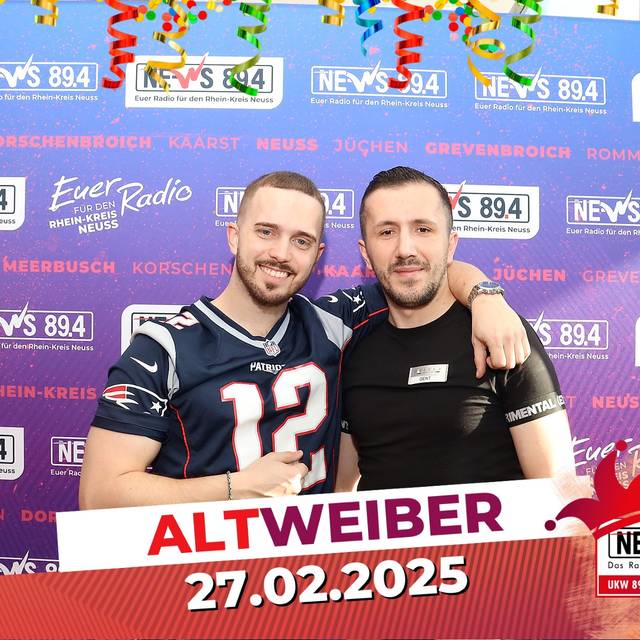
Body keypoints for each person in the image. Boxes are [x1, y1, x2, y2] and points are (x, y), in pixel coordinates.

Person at [79, 171, 530, 509]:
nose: (280, 253)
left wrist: (485, 295)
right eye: (266, 232)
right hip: (200, 576)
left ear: (318, 255)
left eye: (301, 241)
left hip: (311, 576)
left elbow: (419, 272)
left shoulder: (335, 321)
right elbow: (99, 495)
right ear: (234, 236)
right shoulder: (164, 348)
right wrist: (232, 489)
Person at [336, 167, 576, 492]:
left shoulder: (499, 333)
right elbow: (341, 495)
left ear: (450, 245)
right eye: (387, 232)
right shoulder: (353, 349)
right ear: (365, 253)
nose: (405, 248)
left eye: (423, 229)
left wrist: (484, 295)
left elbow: (559, 493)